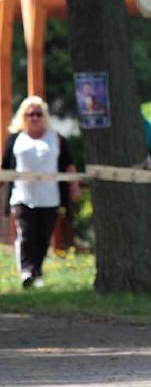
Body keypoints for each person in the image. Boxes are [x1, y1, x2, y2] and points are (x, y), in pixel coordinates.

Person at [0, 96, 80, 288]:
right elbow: (5, 167)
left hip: (49, 197)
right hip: (22, 196)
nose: (34, 118)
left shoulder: (56, 138)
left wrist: (74, 185)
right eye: (30, 114)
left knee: (43, 237)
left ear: (44, 116)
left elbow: (68, 164)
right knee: (26, 234)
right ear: (23, 116)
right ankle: (26, 272)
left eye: (38, 114)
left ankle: (37, 273)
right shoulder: (15, 139)